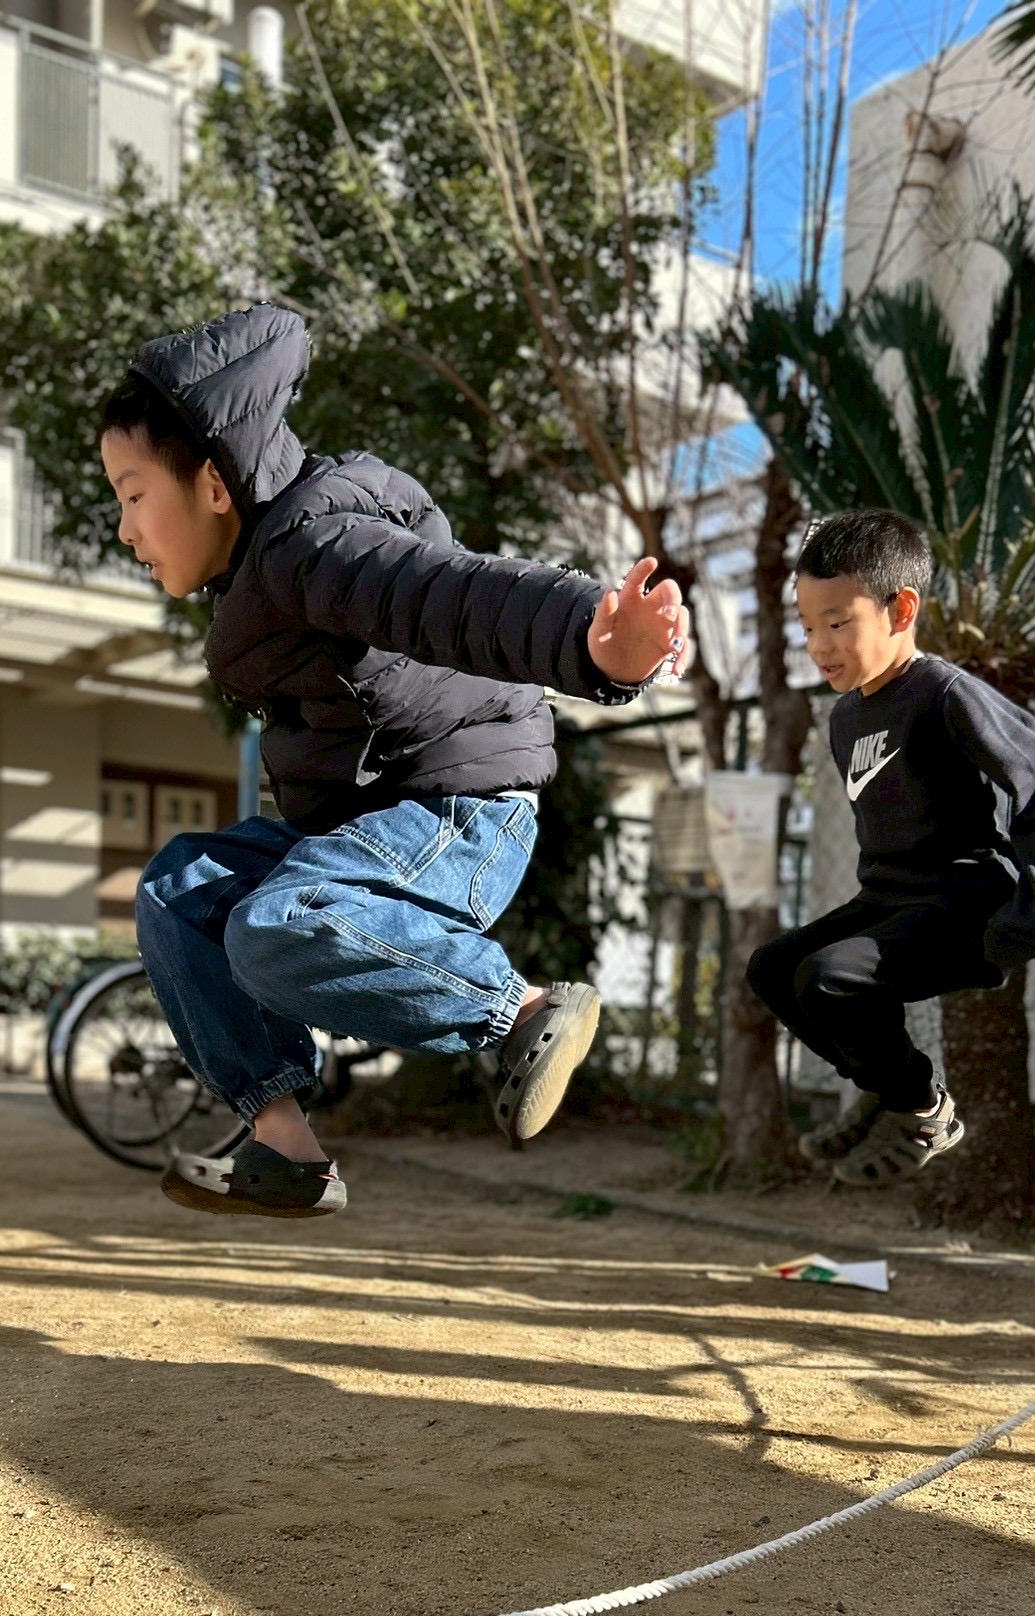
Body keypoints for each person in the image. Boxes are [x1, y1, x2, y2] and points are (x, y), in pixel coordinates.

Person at [102, 303, 686, 1220]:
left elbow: (447, 597)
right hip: (376, 824)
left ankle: (523, 1011)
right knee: (181, 891)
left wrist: (591, 641)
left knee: (273, 921)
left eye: (134, 496)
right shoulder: (267, 565)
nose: (125, 529)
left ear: (213, 486)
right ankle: (284, 1145)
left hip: (462, 812)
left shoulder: (316, 544)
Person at [746, 509, 1035, 1186]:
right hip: (889, 900)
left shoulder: (946, 693)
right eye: (809, 627)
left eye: (838, 623)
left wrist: (1027, 915)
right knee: (773, 969)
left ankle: (922, 1109)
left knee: (830, 976)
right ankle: (882, 1087)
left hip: (963, 905)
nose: (820, 644)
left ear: (900, 610)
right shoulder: (845, 718)